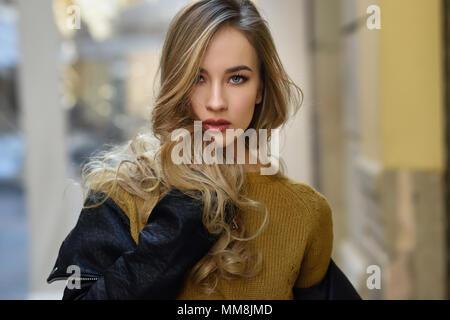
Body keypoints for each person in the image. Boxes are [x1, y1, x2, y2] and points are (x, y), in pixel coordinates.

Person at [47, 0, 361, 300]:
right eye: (198, 77)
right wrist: (184, 215)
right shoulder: (122, 192)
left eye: (237, 78)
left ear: (261, 88)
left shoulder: (304, 211)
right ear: (178, 82)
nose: (215, 101)